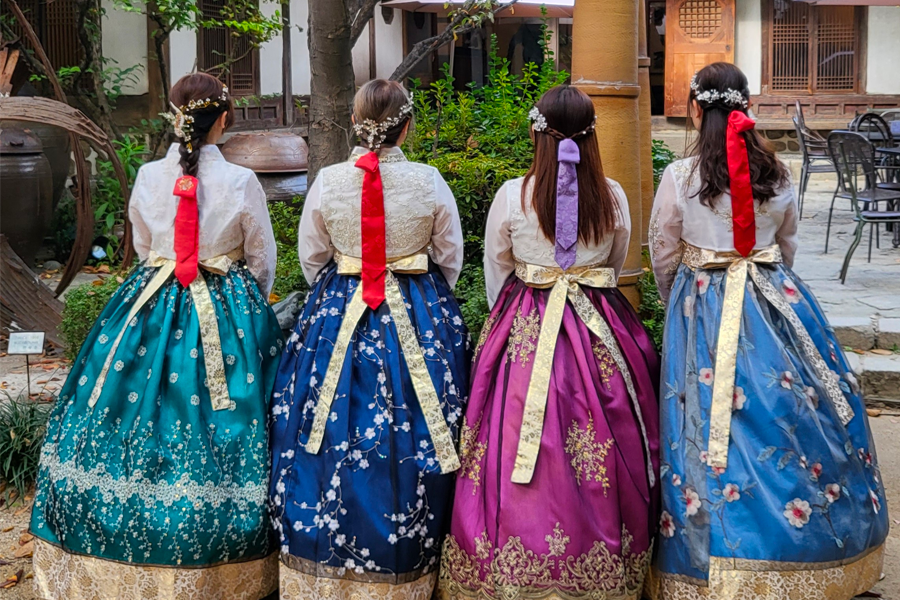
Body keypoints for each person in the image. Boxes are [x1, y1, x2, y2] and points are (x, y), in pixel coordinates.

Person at [30, 72, 282, 600]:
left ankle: (109, 549)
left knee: (123, 408)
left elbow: (145, 248)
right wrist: (248, 310)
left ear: (173, 117)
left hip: (148, 304)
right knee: (229, 419)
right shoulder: (241, 181)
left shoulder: (148, 175)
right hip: (225, 307)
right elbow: (262, 260)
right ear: (225, 118)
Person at [648, 62, 888, 599]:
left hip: (703, 307)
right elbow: (788, 244)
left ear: (695, 109)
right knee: (788, 413)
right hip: (773, 297)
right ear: (747, 107)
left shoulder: (681, 176)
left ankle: (711, 560)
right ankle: (812, 548)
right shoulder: (776, 173)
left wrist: (677, 301)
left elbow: (662, 250)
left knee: (705, 422)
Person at [438, 85, 660, 599]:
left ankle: (512, 563)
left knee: (510, 435)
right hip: (598, 326)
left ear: (535, 132)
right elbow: (615, 263)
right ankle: (605, 560)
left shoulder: (512, 195)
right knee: (607, 438)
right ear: (592, 134)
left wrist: (509, 318)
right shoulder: (612, 195)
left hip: (525, 324)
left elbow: (497, 270)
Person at [270, 79, 469, 599]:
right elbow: (450, 255)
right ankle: (413, 551)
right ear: (407, 125)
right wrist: (430, 298)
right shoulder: (428, 180)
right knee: (417, 421)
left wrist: (338, 285)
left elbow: (312, 256)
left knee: (326, 421)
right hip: (417, 308)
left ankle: (325, 551)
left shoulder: (329, 180)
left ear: (356, 124)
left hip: (339, 306)